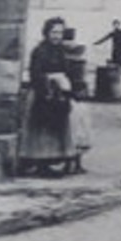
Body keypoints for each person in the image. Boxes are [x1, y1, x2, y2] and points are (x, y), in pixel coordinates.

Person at [19, 17, 75, 175]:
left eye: (60, 33)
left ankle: (52, 160)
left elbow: (67, 70)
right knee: (41, 128)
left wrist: (67, 84)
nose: (57, 36)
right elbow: (35, 73)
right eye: (54, 32)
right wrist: (49, 81)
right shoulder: (40, 51)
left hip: (60, 92)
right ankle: (39, 164)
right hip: (43, 92)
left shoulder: (61, 51)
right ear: (47, 33)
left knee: (56, 126)